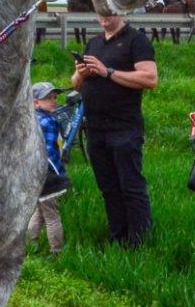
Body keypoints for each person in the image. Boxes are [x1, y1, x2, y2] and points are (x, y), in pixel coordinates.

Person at [70, 13, 158, 246]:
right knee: (108, 187)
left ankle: (139, 241)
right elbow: (75, 83)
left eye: (109, 12)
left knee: (131, 187)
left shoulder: (136, 40)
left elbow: (150, 79)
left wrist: (107, 71)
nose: (104, 17)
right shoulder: (95, 42)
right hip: (95, 127)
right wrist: (82, 73)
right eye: (100, 12)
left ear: (121, 12)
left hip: (124, 126)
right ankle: (116, 238)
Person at [27, 82, 67, 254]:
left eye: (55, 97)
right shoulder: (49, 122)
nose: (54, 101)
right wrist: (57, 174)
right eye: (48, 98)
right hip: (47, 174)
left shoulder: (31, 119)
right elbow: (49, 153)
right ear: (36, 103)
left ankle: (30, 244)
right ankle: (57, 251)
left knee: (41, 211)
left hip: (33, 173)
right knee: (52, 215)